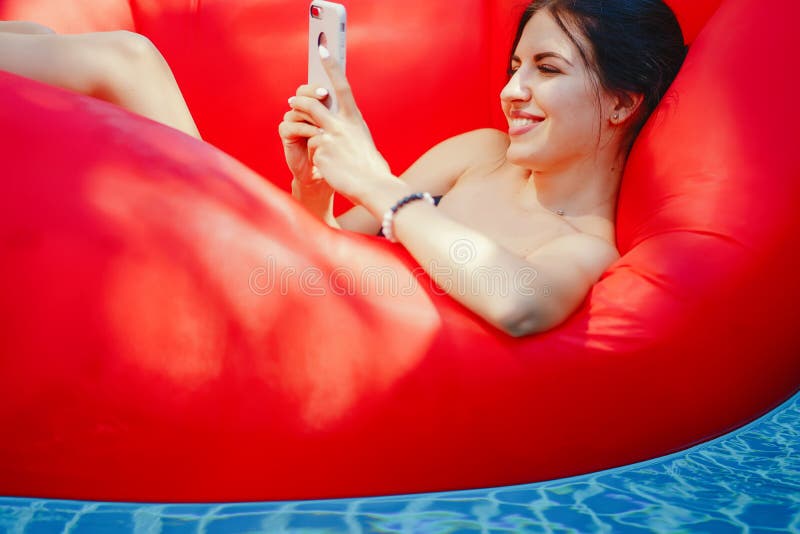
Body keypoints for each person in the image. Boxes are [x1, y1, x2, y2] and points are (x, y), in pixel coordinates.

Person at [0, 0, 686, 336]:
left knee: (126, 61)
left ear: (623, 101)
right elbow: (326, 244)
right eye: (514, 67)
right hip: (276, 290)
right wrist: (314, 186)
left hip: (278, 322)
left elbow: (520, 305)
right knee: (85, 54)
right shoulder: (480, 154)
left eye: (546, 70)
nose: (514, 90)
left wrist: (384, 187)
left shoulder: (584, 247)